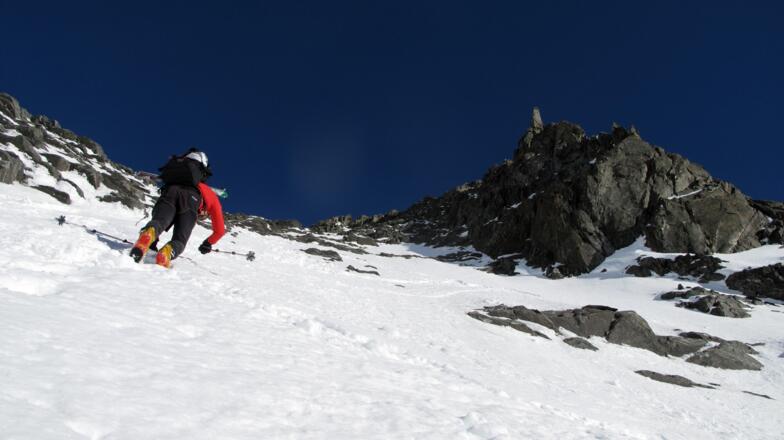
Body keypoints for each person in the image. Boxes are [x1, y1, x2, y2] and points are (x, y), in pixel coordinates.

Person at [130, 148, 225, 268]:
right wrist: (208, 243)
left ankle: (149, 235)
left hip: (170, 191)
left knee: (159, 222)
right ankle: (168, 252)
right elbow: (220, 230)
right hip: (191, 202)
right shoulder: (210, 194)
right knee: (180, 239)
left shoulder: (175, 177)